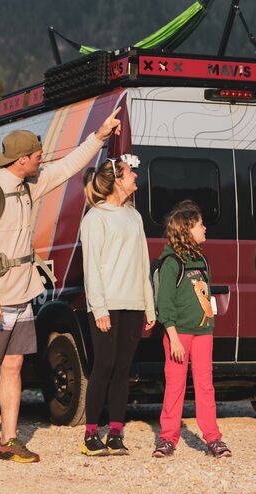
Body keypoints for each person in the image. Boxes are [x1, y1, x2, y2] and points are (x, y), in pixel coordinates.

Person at [0, 108, 122, 464]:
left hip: (22, 295)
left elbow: (69, 166)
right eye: (37, 156)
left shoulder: (28, 184)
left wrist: (99, 136)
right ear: (22, 160)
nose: (42, 161)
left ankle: (8, 440)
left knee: (14, 365)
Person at [79, 155, 156, 457]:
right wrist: (99, 308)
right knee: (104, 365)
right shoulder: (95, 218)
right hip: (107, 304)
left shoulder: (134, 216)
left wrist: (149, 308)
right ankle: (90, 435)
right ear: (116, 181)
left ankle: (115, 432)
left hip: (133, 303)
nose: (135, 176)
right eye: (129, 173)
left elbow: (142, 263)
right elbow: (92, 268)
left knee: (124, 368)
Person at [152, 200, 232, 458]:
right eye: (200, 224)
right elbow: (164, 304)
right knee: (175, 385)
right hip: (179, 334)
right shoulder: (171, 262)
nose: (205, 228)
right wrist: (173, 337)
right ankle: (167, 438)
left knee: (205, 385)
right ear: (187, 230)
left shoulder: (202, 260)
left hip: (203, 333)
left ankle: (213, 438)